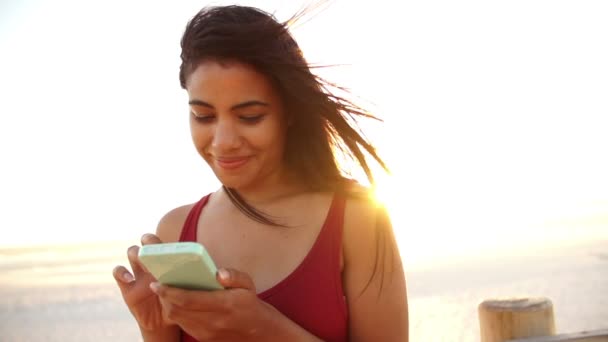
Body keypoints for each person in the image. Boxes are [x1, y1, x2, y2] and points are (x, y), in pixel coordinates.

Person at [113, 4, 408, 342]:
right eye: (204, 116)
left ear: (290, 112)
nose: (223, 142)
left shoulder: (357, 218)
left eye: (250, 116)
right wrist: (153, 327)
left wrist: (262, 327)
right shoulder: (175, 230)